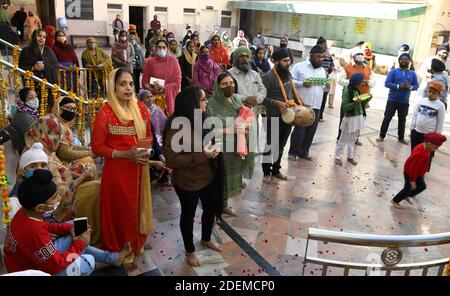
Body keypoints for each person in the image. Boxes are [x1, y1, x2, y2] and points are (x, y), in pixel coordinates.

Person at [3, 169, 132, 276]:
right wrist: (80, 244)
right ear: (40, 208)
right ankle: (97, 259)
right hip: (38, 270)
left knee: (75, 228)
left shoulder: (25, 212)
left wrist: (69, 228)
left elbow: (46, 226)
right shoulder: (34, 233)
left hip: (36, 258)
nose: (59, 199)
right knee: (88, 262)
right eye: (54, 197)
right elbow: (56, 265)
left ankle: (113, 259)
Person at [92, 68, 154, 271]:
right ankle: (123, 249)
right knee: (123, 211)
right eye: (122, 84)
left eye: (130, 84)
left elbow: (149, 136)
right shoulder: (105, 113)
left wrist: (146, 152)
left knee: (138, 207)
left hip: (140, 169)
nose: (128, 88)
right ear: (113, 86)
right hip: (117, 172)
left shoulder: (142, 110)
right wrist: (125, 154)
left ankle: (137, 241)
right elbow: (97, 147)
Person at [164, 85, 223, 267]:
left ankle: (206, 238)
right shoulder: (176, 125)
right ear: (193, 104)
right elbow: (171, 160)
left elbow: (212, 139)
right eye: (203, 99)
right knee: (188, 216)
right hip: (187, 182)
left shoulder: (203, 118)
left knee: (210, 209)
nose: (206, 102)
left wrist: (216, 146)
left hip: (208, 176)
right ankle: (190, 251)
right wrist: (202, 155)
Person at [24, 115, 90, 222]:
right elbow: (60, 193)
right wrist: (81, 178)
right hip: (54, 210)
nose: (57, 140)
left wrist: (77, 175)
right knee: (91, 195)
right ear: (46, 135)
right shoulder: (40, 159)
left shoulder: (35, 147)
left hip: (58, 195)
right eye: (56, 136)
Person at [207, 72, 256, 216]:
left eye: (231, 83)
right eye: (225, 84)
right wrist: (229, 129)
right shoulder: (211, 104)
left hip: (236, 146)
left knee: (230, 177)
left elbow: (245, 117)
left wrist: (246, 126)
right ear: (218, 86)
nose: (230, 86)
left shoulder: (236, 100)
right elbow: (208, 128)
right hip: (219, 147)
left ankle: (224, 205)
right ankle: (214, 211)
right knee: (219, 179)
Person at [262, 47, 295, 184]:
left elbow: (290, 92)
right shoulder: (268, 77)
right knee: (271, 145)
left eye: (289, 60)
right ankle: (266, 172)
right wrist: (275, 102)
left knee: (281, 145)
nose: (288, 63)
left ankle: (276, 170)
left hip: (287, 117)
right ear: (276, 61)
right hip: (273, 117)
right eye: (285, 61)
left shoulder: (287, 74)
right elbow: (261, 97)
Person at [288, 45, 327, 161]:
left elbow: (323, 88)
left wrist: (327, 87)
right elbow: (290, 81)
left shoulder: (322, 71)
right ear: (311, 55)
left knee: (311, 131)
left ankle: (304, 152)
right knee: (299, 130)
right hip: (302, 104)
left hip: (316, 105)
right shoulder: (299, 67)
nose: (320, 59)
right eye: (318, 56)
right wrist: (302, 83)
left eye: (322, 57)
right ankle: (292, 153)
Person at [391, 132, 447, 209]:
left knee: (422, 186)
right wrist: (412, 180)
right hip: (410, 173)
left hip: (419, 173)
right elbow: (413, 169)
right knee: (408, 188)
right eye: (436, 147)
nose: (436, 149)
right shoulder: (421, 153)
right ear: (429, 143)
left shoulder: (424, 147)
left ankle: (407, 195)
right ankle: (395, 200)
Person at [377, 53, 419, 144]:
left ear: (409, 62)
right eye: (402, 59)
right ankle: (381, 135)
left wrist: (410, 87)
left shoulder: (412, 74)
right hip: (392, 100)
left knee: (402, 119)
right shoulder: (393, 71)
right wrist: (398, 86)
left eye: (406, 59)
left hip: (404, 101)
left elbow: (416, 86)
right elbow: (387, 83)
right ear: (399, 61)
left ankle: (401, 137)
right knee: (387, 118)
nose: (404, 61)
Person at [337, 48, 376, 143]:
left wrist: (367, 82)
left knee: (359, 117)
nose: (360, 56)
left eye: (361, 54)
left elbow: (373, 82)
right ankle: (340, 137)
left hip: (362, 98)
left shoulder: (367, 68)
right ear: (353, 57)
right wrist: (353, 82)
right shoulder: (347, 67)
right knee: (345, 116)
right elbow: (340, 80)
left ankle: (355, 138)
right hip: (349, 97)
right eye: (358, 54)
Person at [52, 96, 96, 177]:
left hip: (65, 161)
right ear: (58, 109)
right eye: (68, 108)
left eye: (74, 109)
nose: (71, 111)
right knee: (88, 162)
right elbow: (64, 153)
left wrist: (88, 149)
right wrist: (88, 153)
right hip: (57, 164)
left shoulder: (65, 126)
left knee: (88, 161)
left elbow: (70, 147)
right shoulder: (55, 125)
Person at [335, 73, 371, 166]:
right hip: (349, 119)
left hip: (358, 118)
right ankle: (338, 157)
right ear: (357, 82)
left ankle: (350, 156)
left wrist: (367, 99)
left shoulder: (356, 90)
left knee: (353, 139)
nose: (363, 82)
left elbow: (361, 104)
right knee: (343, 138)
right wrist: (354, 103)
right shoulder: (347, 91)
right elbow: (345, 107)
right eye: (361, 81)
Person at [410, 81, 446, 170]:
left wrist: (437, 135)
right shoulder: (422, 101)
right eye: (429, 91)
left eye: (434, 93)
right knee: (415, 151)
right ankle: (413, 166)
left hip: (429, 136)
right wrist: (412, 127)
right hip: (417, 131)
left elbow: (440, 121)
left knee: (426, 154)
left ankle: (423, 169)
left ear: (438, 94)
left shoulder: (440, 106)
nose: (430, 94)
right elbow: (415, 114)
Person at [19, 29, 58, 109]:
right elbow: (21, 67)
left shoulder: (49, 51)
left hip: (47, 84)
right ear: (34, 37)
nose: (42, 39)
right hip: (32, 84)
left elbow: (55, 66)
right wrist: (33, 67)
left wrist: (45, 67)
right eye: (39, 36)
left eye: (44, 37)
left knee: (48, 107)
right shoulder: (26, 51)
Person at [142, 39, 181, 115]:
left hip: (168, 99)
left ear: (167, 48)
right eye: (159, 47)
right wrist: (151, 89)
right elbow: (144, 81)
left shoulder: (173, 61)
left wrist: (164, 88)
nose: (161, 49)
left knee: (167, 122)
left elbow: (177, 82)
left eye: (163, 47)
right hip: (153, 99)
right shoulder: (150, 62)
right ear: (156, 48)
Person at [0, 88, 39, 155]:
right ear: (22, 100)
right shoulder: (23, 117)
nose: (35, 100)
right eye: (30, 98)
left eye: (35, 96)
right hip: (25, 152)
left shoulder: (29, 113)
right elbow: (36, 137)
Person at [317, 37, 335, 122]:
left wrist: (328, 71)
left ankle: (320, 115)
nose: (326, 45)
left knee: (324, 97)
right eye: (324, 44)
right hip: (316, 78)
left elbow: (332, 65)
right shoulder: (315, 53)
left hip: (326, 78)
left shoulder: (328, 54)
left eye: (326, 44)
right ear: (319, 45)